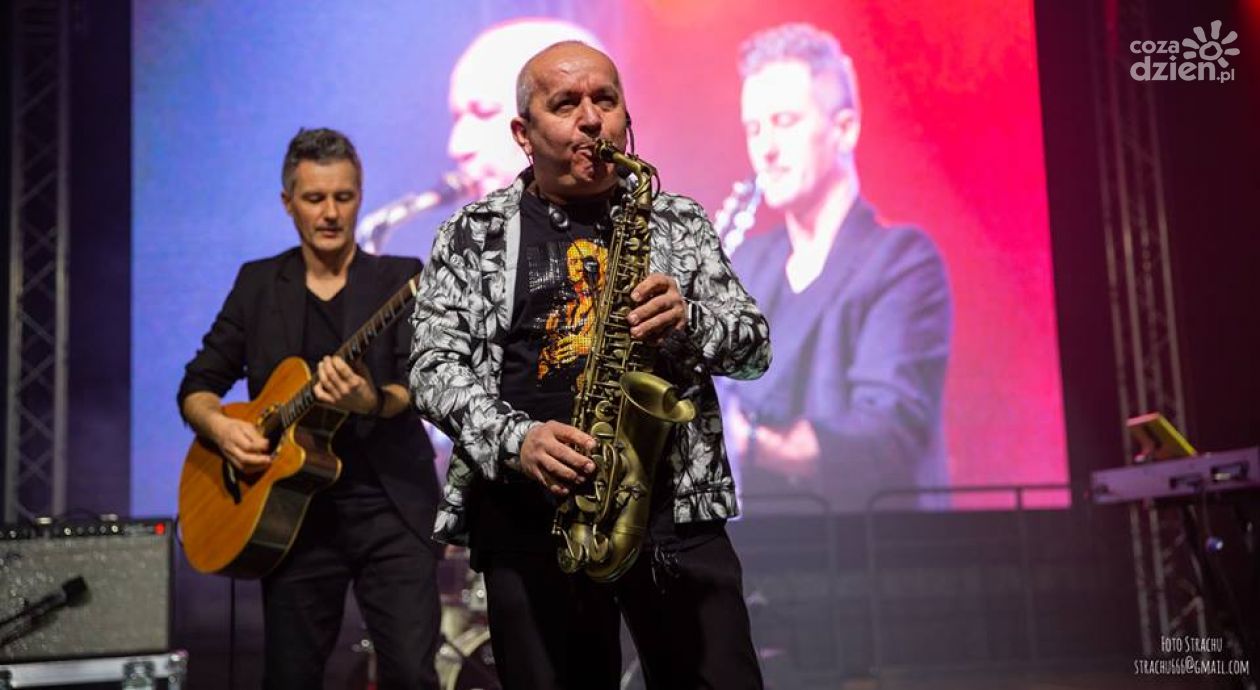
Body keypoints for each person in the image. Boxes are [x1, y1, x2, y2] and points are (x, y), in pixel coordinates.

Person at [409, 42, 770, 689]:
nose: (591, 118)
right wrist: (519, 440)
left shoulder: (679, 220)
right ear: (523, 134)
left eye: (605, 99)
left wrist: (690, 319)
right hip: (529, 521)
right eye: (565, 104)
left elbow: (754, 348)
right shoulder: (473, 233)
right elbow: (433, 369)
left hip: (673, 515)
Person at [178, 128, 442, 689]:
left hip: (390, 510)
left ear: (360, 196)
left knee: (412, 675)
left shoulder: (400, 278)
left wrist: (370, 401)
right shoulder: (257, 284)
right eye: (315, 198)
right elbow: (198, 385)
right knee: (290, 679)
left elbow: (419, 385)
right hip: (291, 517)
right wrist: (222, 429)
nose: (330, 213)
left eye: (343, 197)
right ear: (288, 202)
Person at [726, 23, 953, 511]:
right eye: (754, 128)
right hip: (764, 548)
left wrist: (743, 443)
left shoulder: (903, 261)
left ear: (845, 128)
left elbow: (884, 436)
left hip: (871, 549)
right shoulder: (746, 263)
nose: (765, 148)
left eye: (784, 121)